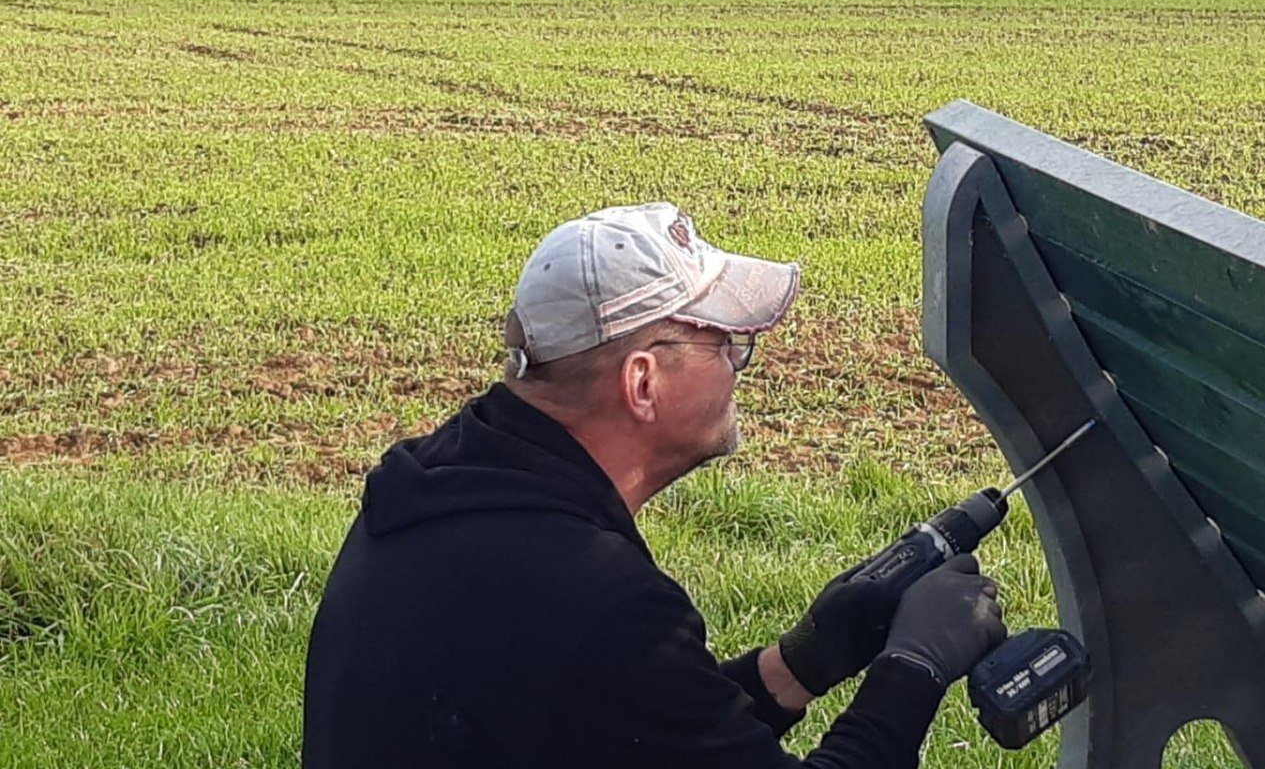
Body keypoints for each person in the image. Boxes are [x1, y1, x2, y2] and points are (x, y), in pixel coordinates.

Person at [303, 203, 1008, 767]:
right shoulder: (595, 598)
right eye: (725, 343)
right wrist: (912, 669)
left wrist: (797, 664)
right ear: (643, 381)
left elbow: (626, 728)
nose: (738, 365)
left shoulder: (439, 493)